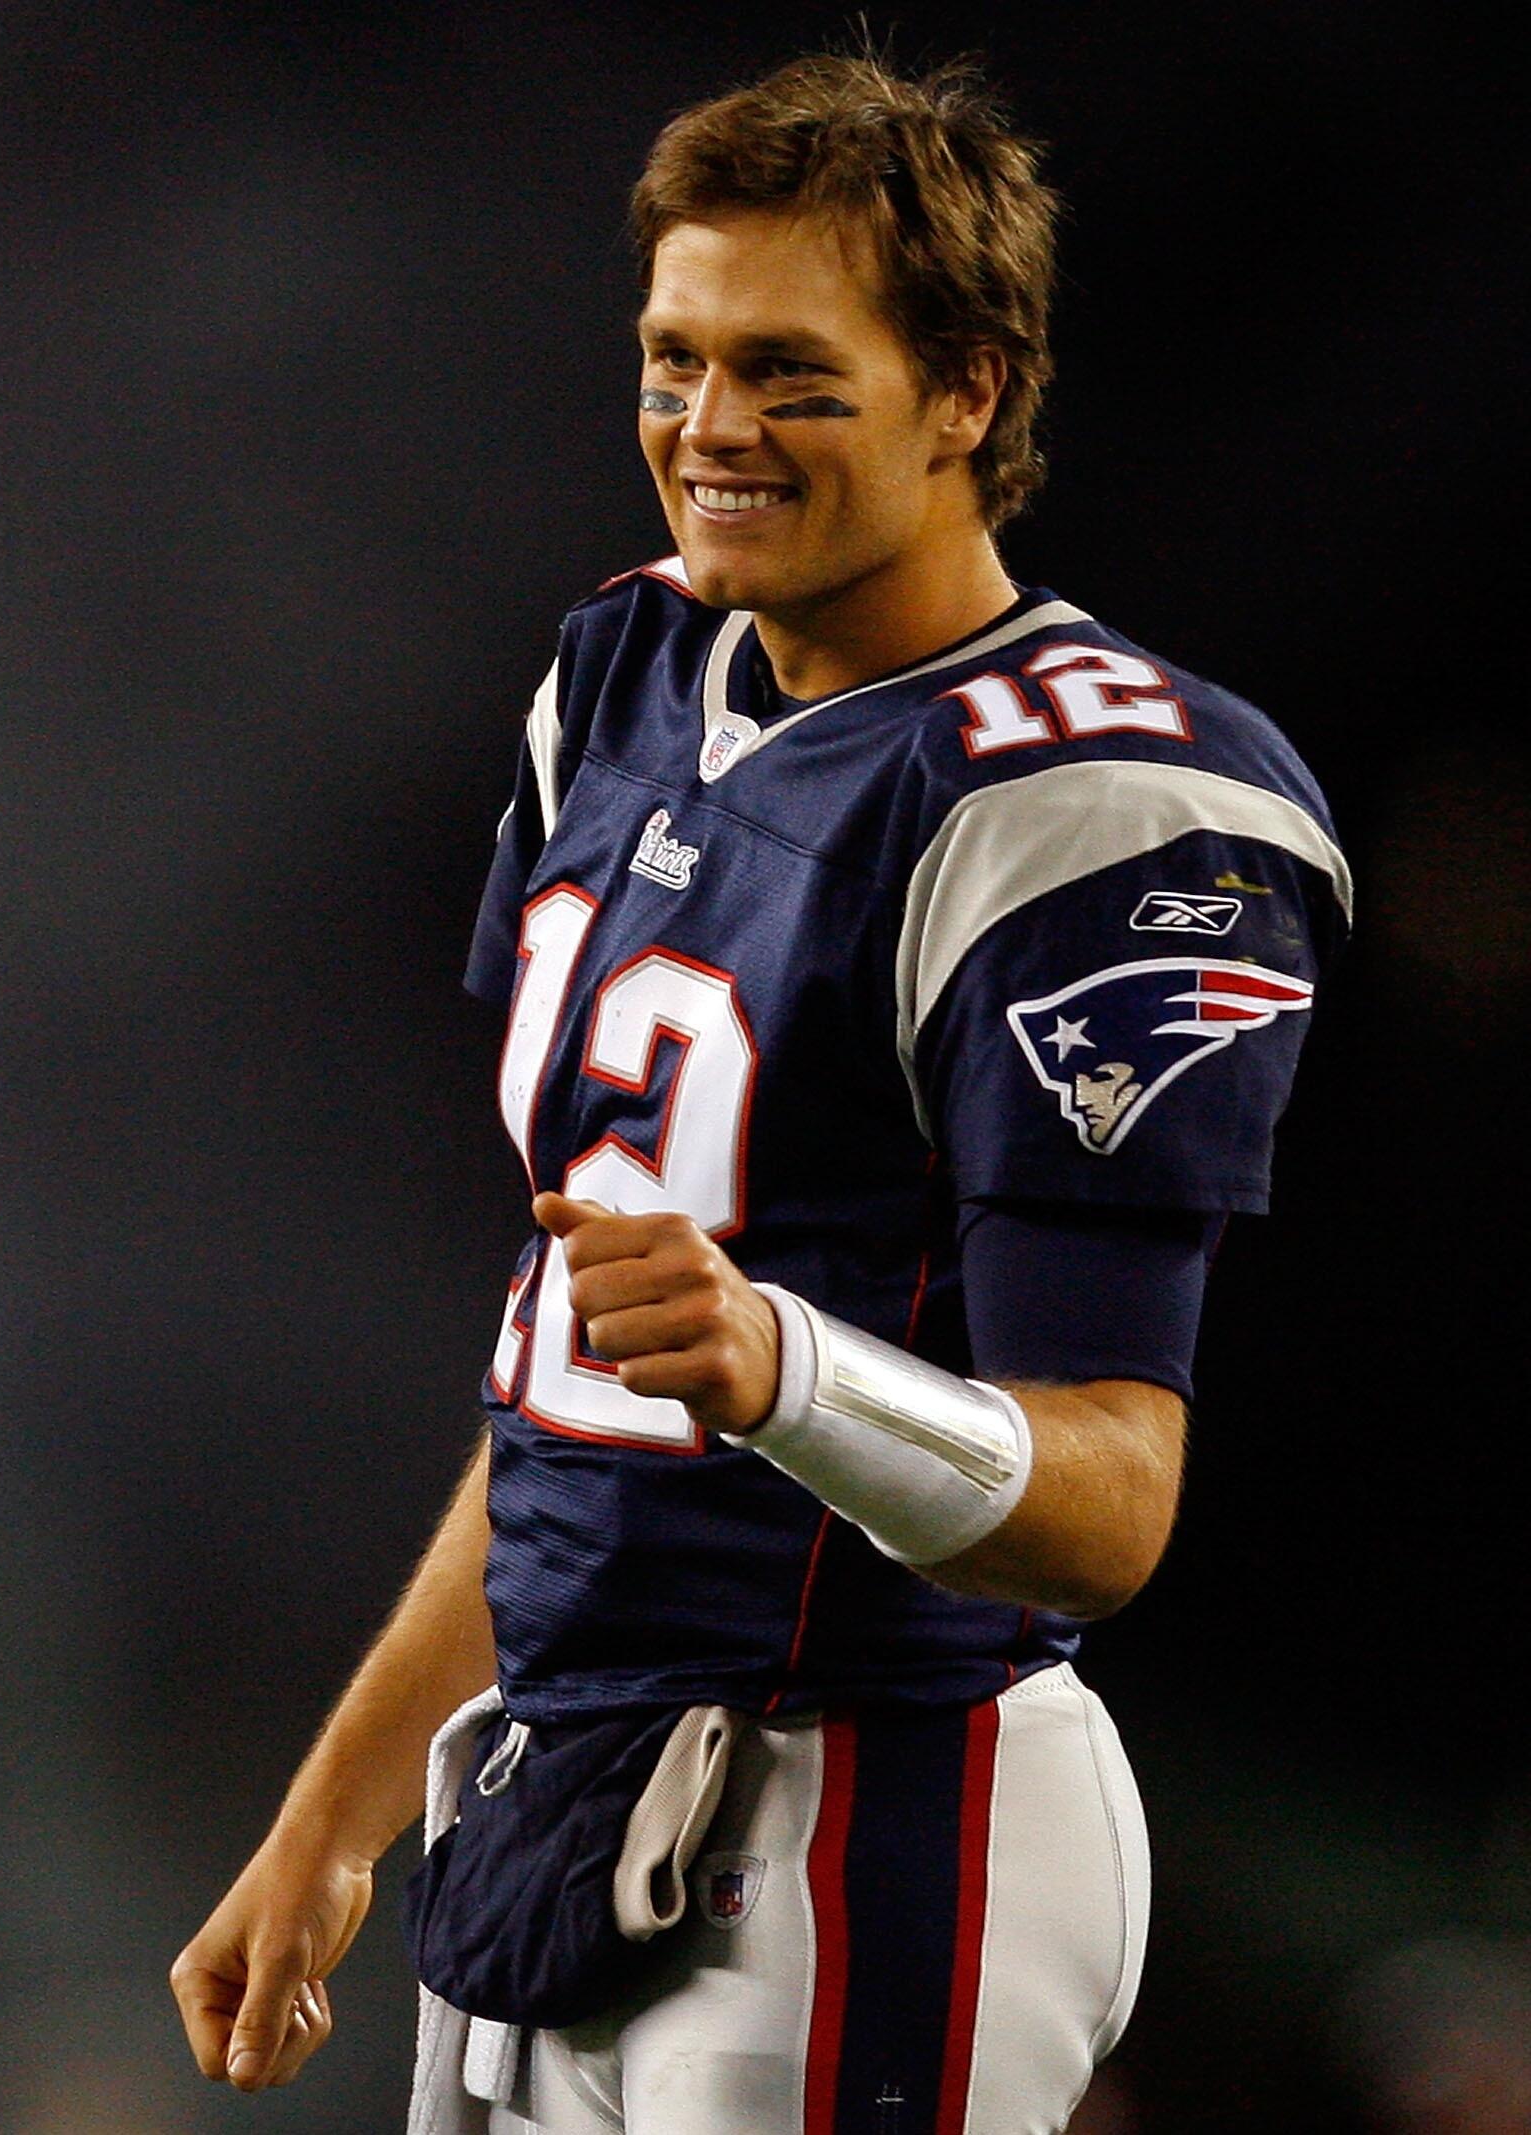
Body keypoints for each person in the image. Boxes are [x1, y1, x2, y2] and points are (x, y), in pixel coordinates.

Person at [168, 51, 1348, 2135]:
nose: (710, 430)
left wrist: (784, 1370)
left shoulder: (1098, 805)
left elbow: (1112, 1509)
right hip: (568, 1788)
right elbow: (579, 1367)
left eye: (792, 374)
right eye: (673, 360)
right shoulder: (627, 675)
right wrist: (338, 1812)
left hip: (879, 1800)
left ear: (966, 392)